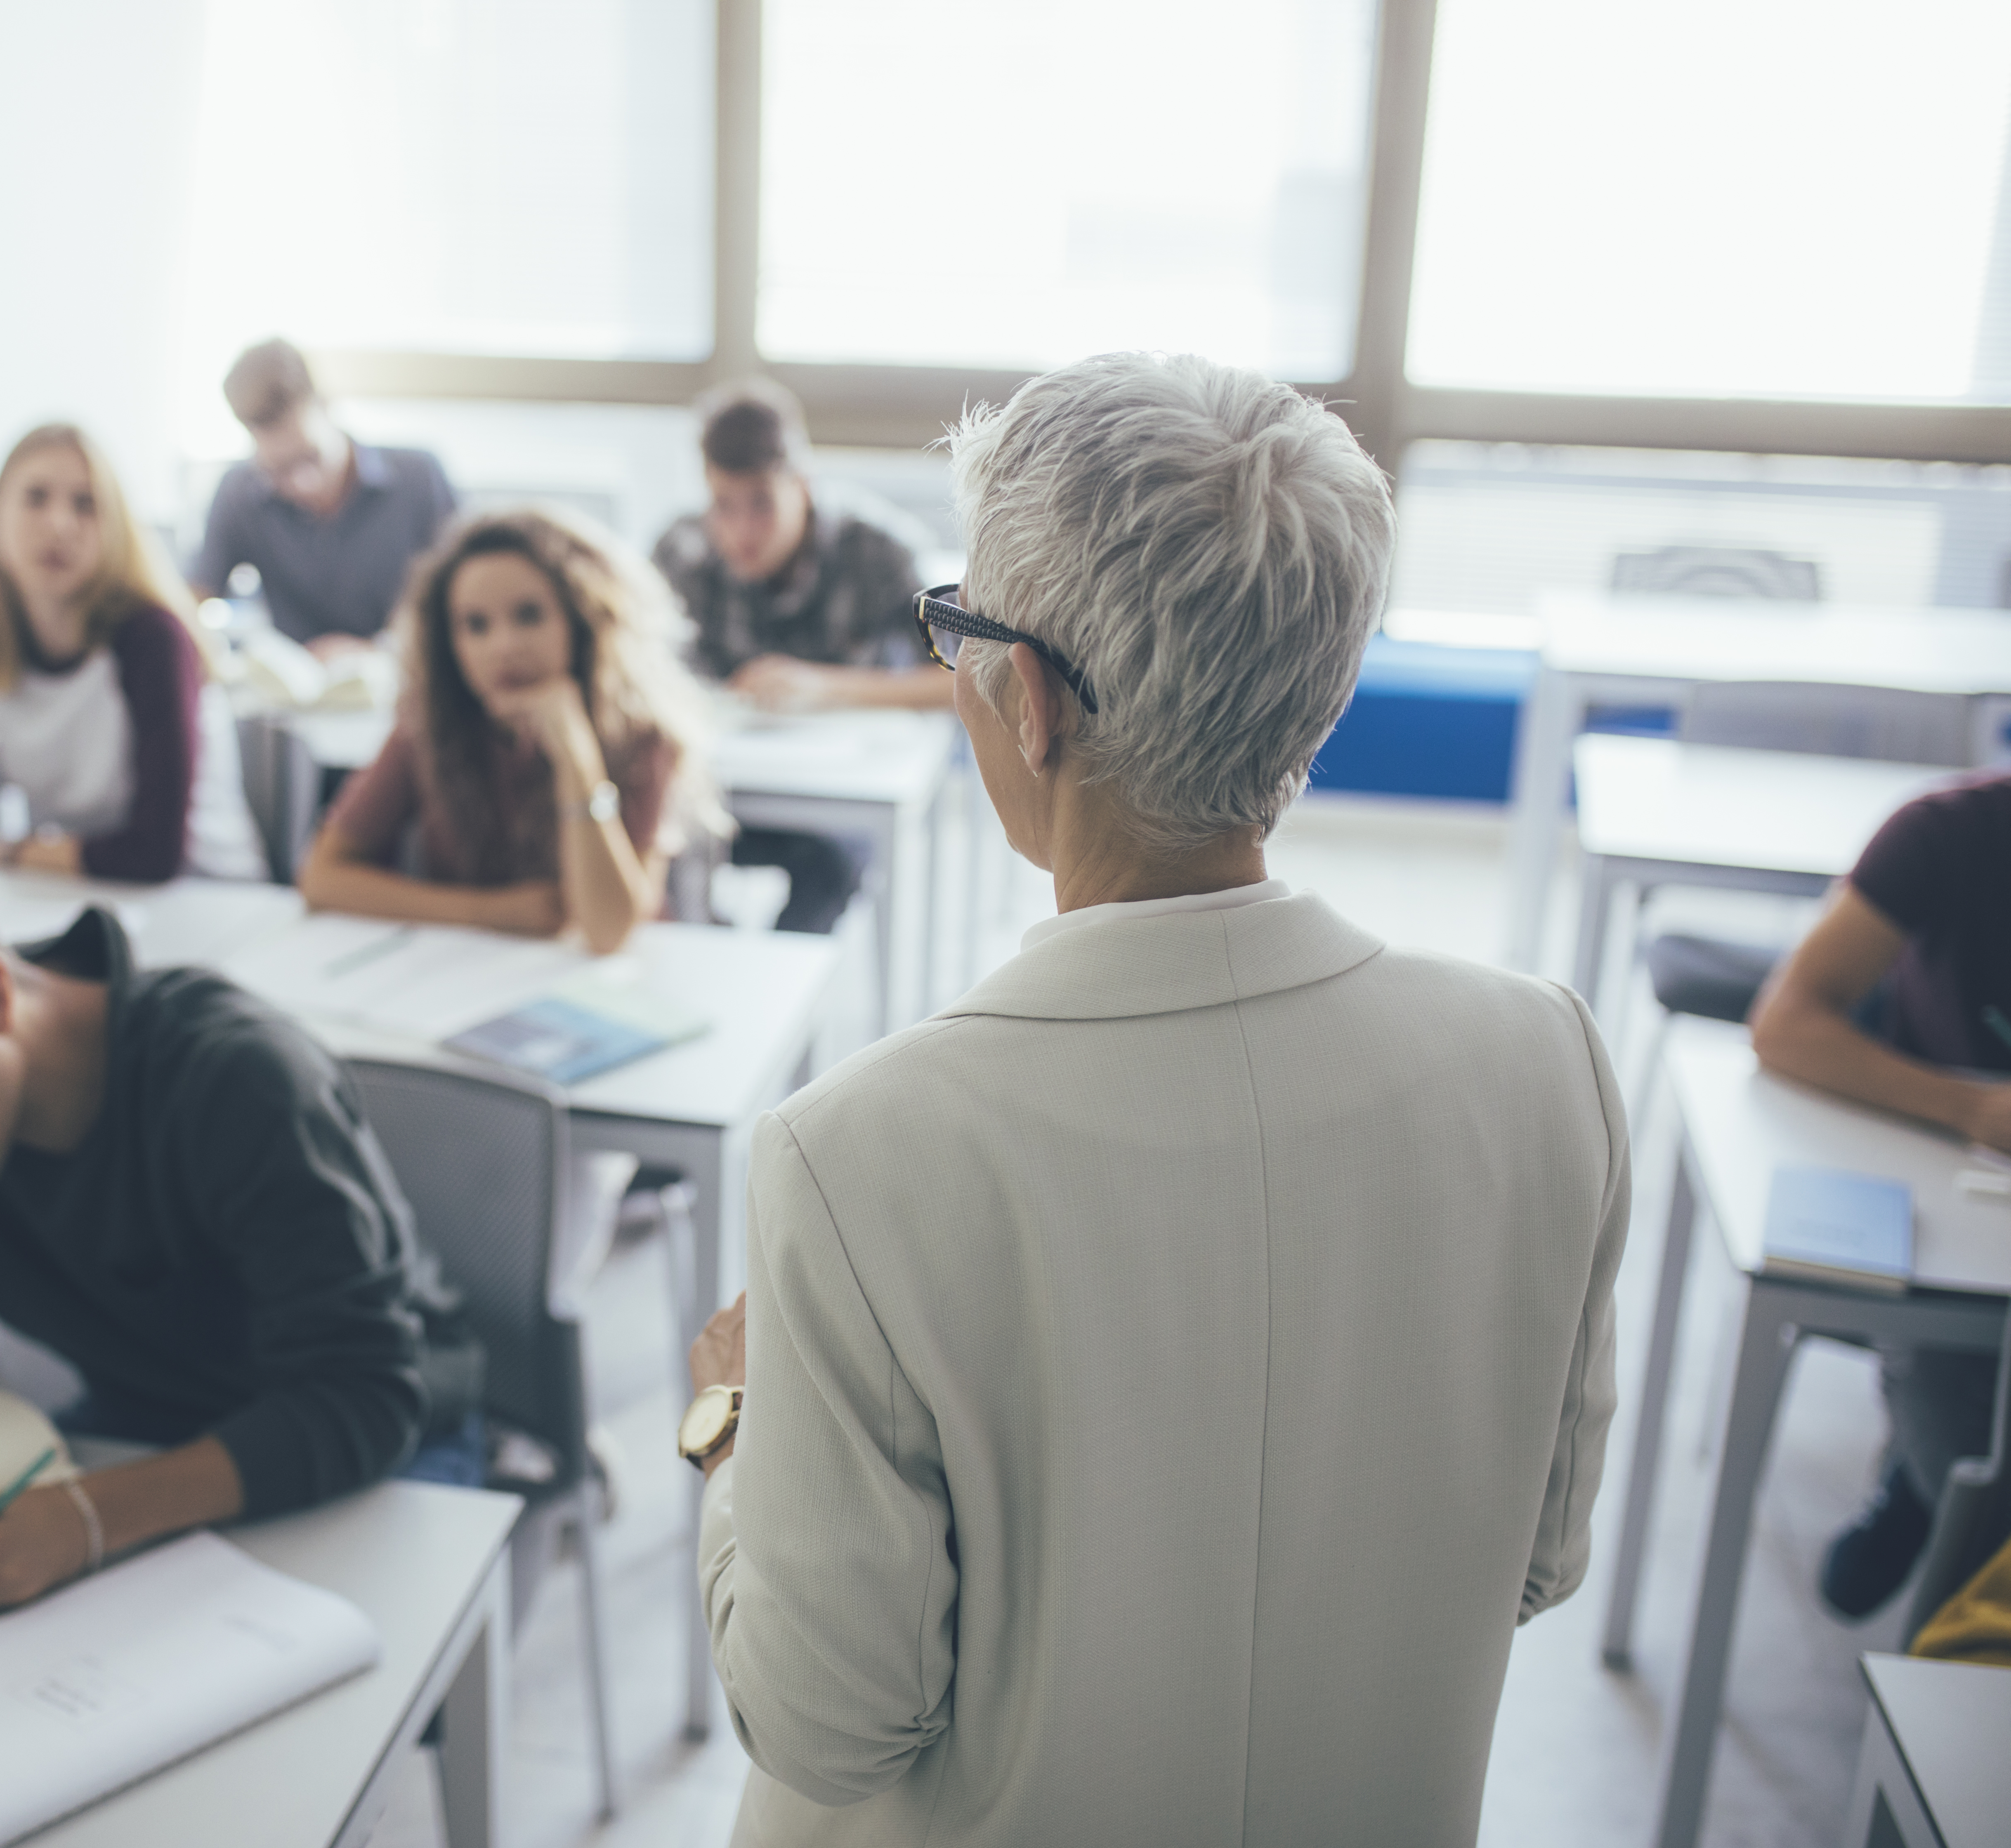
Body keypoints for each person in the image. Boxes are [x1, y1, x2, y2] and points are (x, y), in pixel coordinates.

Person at [677, 354, 1629, 1845]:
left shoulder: (857, 1150)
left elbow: (823, 1721)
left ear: (1032, 701)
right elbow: (1529, 1567)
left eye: (957, 628)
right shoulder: (1544, 1061)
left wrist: (738, 1427)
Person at [0, 844, 465, 1613]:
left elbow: (364, 1392)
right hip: (148, 1425)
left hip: (384, 1437)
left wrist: (92, 1518)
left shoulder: (239, 1081)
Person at [1749, 771, 2011, 1621]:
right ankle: (1924, 1489)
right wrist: (1973, 1106)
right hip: (1950, 1206)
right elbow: (1784, 1022)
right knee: (1970, 1465)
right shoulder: (1947, 833)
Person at [296, 506, 718, 957]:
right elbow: (322, 877)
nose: (504, 647)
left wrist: (576, 755)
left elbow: (606, 931)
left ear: (581, 619)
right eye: (475, 625)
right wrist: (491, 912)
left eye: (530, 615)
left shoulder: (644, 736)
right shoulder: (430, 725)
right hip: (474, 970)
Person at [0, 423, 264, 884]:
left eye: (85, 505)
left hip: (206, 894)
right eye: (36, 498)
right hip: (77, 887)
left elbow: (155, 855)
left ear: (116, 529)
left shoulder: (155, 639)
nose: (59, 524)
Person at [652, 379, 938, 932]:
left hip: (834, 799)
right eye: (722, 506)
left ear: (802, 487)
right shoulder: (682, 550)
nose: (740, 533)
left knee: (829, 870)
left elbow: (965, 681)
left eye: (761, 505)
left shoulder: (876, 551)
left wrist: (823, 685)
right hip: (716, 792)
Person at [185, 338, 459, 658]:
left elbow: (464, 594)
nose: (303, 484)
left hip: (407, 675)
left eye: (310, 458)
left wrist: (379, 651)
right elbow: (194, 598)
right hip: (296, 694)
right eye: (280, 470)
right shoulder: (239, 493)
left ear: (326, 406)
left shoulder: (419, 477)